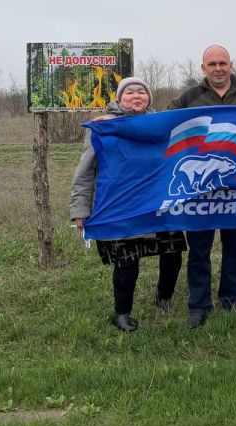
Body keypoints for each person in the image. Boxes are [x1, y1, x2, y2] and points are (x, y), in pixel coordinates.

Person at [70, 76, 186, 332]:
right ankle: (122, 313)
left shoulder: (161, 126)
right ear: (119, 98)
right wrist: (80, 210)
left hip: (159, 206)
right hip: (121, 207)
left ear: (148, 99)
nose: (136, 96)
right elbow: (85, 172)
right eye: (130, 92)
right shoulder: (103, 128)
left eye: (141, 92)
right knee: (127, 261)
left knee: (172, 253)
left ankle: (163, 297)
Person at [166, 45, 236, 329]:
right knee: (199, 249)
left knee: (235, 246)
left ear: (231, 65)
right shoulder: (189, 97)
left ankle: (232, 299)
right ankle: (199, 305)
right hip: (198, 194)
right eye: (212, 64)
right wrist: (117, 120)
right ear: (203, 68)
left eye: (223, 63)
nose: (218, 68)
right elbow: (159, 122)